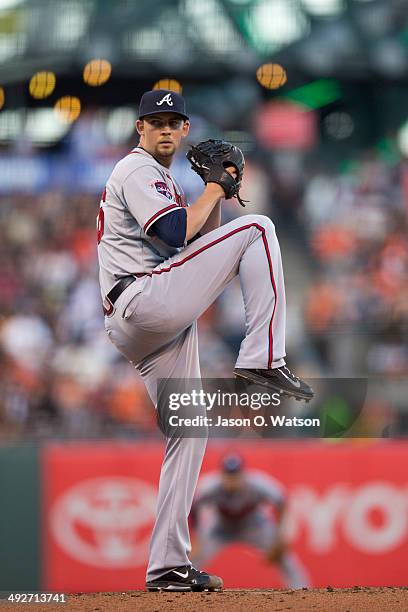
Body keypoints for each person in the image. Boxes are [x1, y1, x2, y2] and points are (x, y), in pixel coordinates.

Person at [96, 89, 313, 592]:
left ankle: (167, 566)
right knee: (258, 227)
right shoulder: (136, 168)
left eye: (174, 121)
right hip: (144, 299)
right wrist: (215, 189)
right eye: (156, 121)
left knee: (189, 433)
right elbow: (174, 233)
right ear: (141, 129)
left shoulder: (164, 177)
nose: (165, 129)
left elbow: (195, 240)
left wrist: (213, 192)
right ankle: (263, 357)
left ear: (186, 129)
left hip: (149, 318)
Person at [190, 453, 311, 589]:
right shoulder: (210, 486)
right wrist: (197, 539)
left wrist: (280, 538)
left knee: (284, 556)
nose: (232, 480)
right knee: (193, 558)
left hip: (253, 525)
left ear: (243, 474)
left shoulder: (257, 484)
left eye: (235, 475)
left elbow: (281, 502)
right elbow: (194, 506)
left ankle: (302, 590)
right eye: (228, 475)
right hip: (221, 527)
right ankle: (184, 589)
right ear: (221, 475)